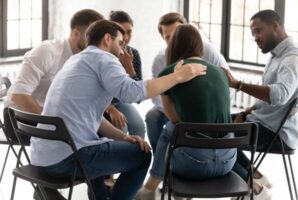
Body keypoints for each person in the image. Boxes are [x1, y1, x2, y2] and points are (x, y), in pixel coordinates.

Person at [32, 20, 207, 200]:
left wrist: (124, 137)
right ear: (108, 39)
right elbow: (132, 93)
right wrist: (178, 76)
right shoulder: (105, 58)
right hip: (70, 159)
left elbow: (93, 117)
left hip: (42, 159)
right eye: (120, 43)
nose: (123, 49)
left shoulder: (75, 60)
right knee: (142, 156)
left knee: (100, 143)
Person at [4, 9, 104, 200]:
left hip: (50, 118)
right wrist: (52, 120)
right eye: (91, 35)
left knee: (99, 129)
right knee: (85, 134)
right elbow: (18, 95)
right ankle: (45, 186)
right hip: (19, 117)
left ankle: (96, 192)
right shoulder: (47, 51)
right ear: (75, 33)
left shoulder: (88, 60)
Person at [135, 24, 235, 200]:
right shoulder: (221, 73)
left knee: (170, 130)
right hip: (228, 162)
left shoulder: (170, 73)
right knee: (186, 133)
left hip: (194, 165)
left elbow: (174, 119)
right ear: (199, 46)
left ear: (174, 45)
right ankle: (171, 193)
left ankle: (150, 188)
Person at [224, 10, 298, 200]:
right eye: (253, 34)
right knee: (213, 123)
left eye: (258, 31)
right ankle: (254, 177)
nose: (255, 38)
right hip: (262, 123)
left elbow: (279, 96)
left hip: (275, 133)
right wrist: (248, 111)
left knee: (214, 134)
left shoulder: (292, 60)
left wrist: (238, 85)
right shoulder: (276, 57)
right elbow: (269, 98)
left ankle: (253, 187)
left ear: (276, 25)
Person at [145, 12, 233, 152]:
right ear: (162, 38)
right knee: (153, 117)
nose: (174, 40)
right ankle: (160, 158)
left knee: (173, 129)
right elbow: (157, 99)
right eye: (168, 37)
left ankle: (160, 169)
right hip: (173, 110)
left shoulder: (209, 51)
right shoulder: (160, 61)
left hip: (203, 110)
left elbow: (228, 85)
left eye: (177, 34)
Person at [107, 10, 145, 138]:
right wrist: (110, 108)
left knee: (139, 127)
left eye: (129, 32)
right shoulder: (103, 54)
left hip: (120, 101)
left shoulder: (133, 53)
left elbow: (139, 97)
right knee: (121, 127)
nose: (126, 38)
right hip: (101, 103)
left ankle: (138, 158)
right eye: (122, 33)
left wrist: (129, 67)